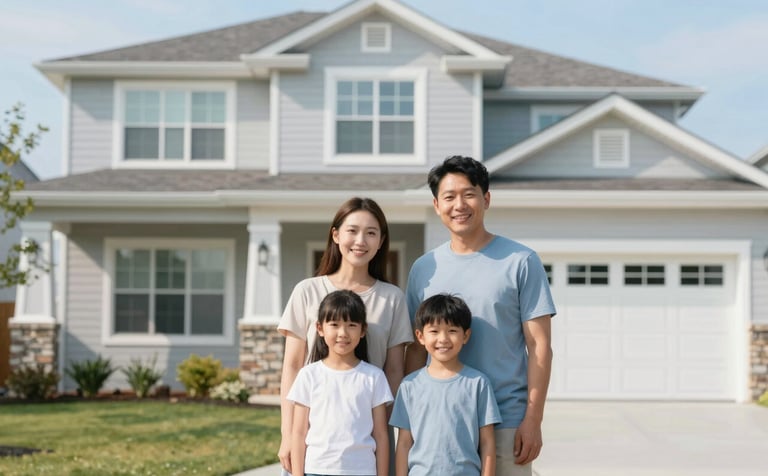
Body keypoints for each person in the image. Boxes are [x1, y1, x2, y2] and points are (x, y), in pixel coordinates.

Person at [404, 156, 556, 476]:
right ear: (436, 205)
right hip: (440, 423)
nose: (459, 204)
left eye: (469, 194)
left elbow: (539, 347)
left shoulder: (521, 261)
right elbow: (417, 349)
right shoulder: (423, 269)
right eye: (449, 197)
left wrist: (533, 419)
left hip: (506, 422)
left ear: (486, 199)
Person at [278, 197, 413, 475]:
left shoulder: (392, 298)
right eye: (352, 230)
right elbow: (292, 367)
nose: (360, 240)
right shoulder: (307, 291)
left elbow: (394, 370)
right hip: (312, 448)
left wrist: (381, 437)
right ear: (336, 235)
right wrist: (288, 435)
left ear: (380, 241)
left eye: (371, 233)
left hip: (365, 451)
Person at [390, 293, 500, 476]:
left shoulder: (478, 384)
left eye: (452, 331)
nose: (443, 339)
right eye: (434, 331)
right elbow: (403, 443)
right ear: (420, 336)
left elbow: (487, 443)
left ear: (466, 335)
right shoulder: (409, 385)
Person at [288, 290, 393, 476]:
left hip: (362, 470)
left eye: (351, 325)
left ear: (363, 330)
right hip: (317, 469)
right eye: (334, 324)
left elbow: (381, 435)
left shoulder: (374, 377)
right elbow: (298, 433)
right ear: (320, 328)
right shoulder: (308, 375)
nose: (342, 333)